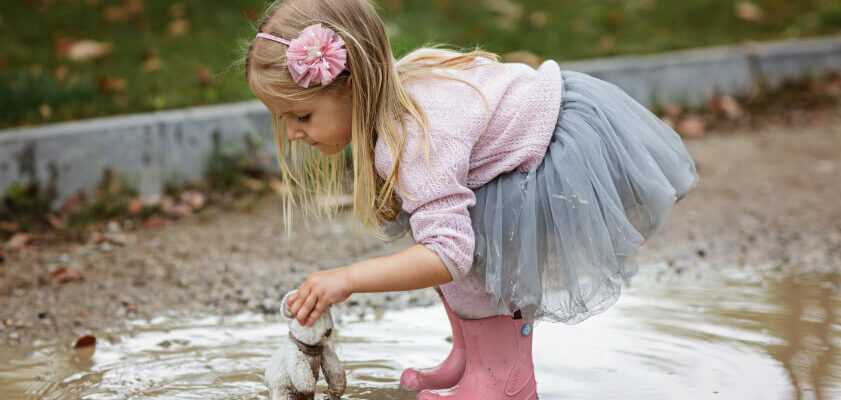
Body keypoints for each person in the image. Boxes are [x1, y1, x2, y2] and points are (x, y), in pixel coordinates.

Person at [243, 0, 699, 398]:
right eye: (282, 119)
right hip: (543, 124)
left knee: (470, 252)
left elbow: (449, 255)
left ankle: (502, 381)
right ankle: (472, 354)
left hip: (549, 153)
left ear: (353, 84)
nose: (293, 134)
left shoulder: (413, 137)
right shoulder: (395, 103)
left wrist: (347, 279)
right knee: (442, 229)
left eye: (301, 115)